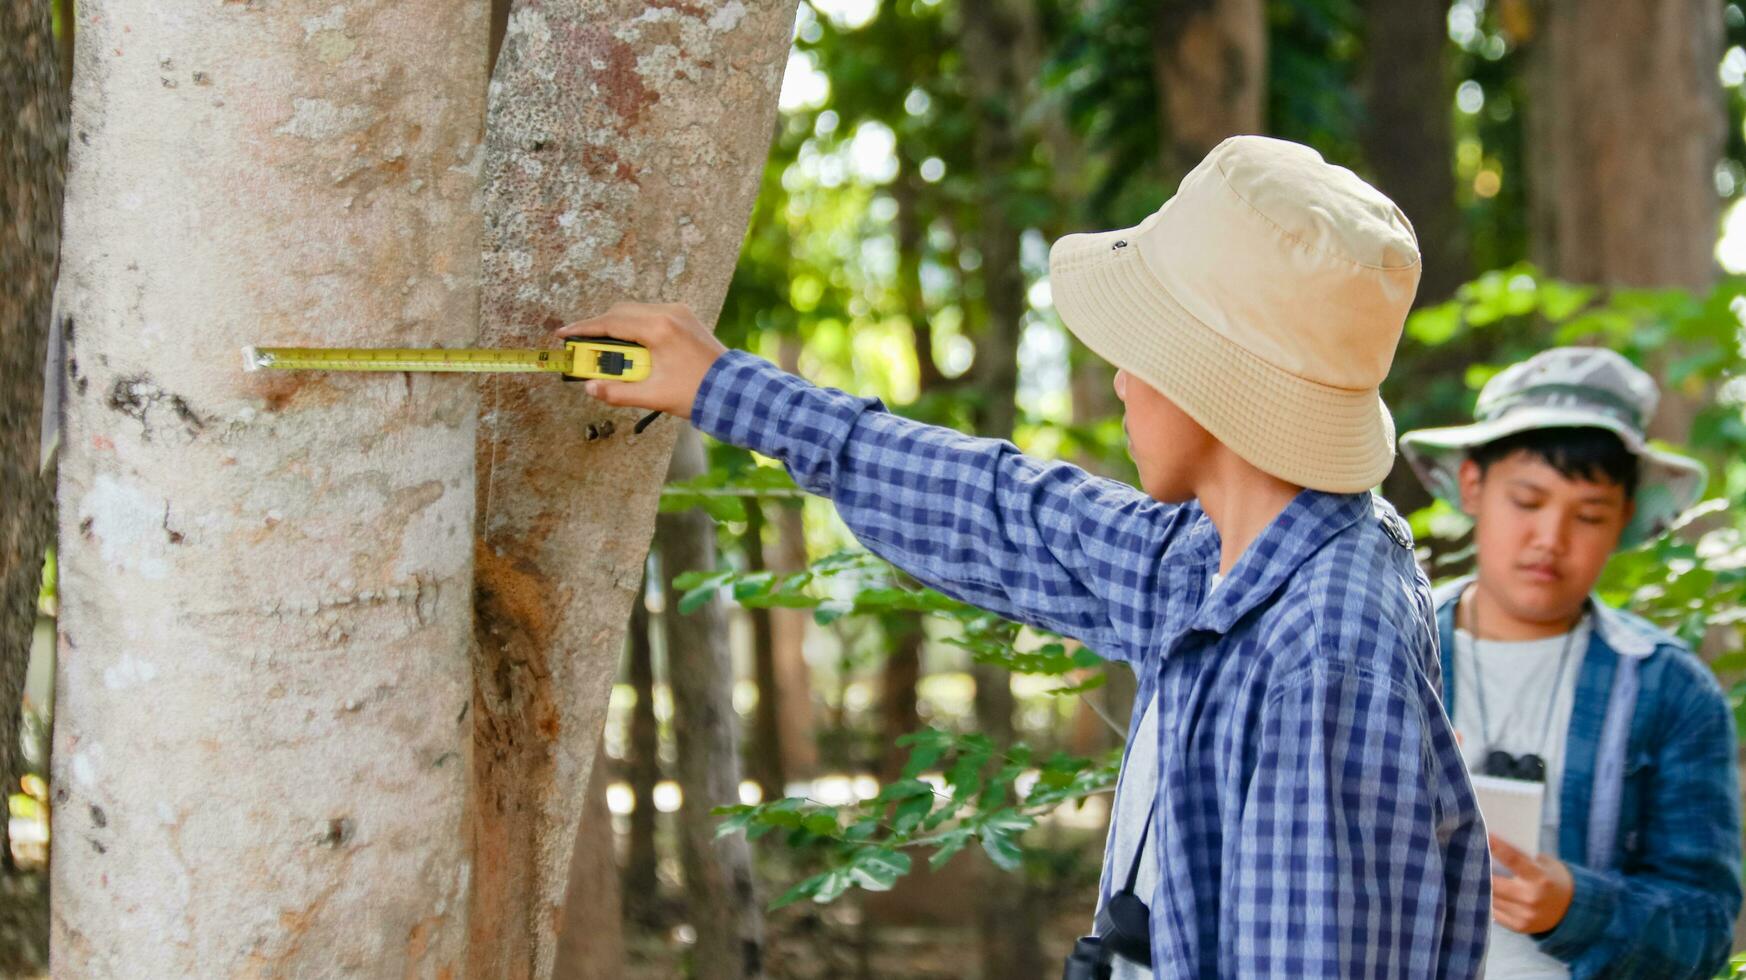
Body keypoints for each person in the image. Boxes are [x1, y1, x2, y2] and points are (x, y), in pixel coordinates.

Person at [567, 136, 1488, 977]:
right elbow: (1003, 512)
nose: (1122, 379)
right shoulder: (1221, 559)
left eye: (1142, 348)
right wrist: (730, 389)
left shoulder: (1324, 646)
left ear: (1214, 380)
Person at [1400, 346, 1742, 979]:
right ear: (1472, 484)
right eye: (1527, 502)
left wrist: (1575, 908)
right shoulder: (1387, 650)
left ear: (1627, 520)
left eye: (1588, 515)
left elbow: (1706, 928)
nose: (1550, 540)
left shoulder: (1669, 690)